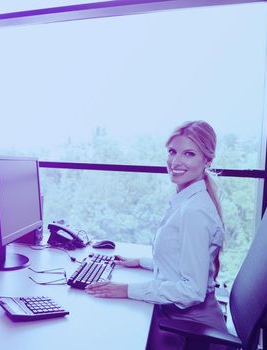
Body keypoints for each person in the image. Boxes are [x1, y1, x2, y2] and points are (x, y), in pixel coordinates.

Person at [85, 120, 227, 349]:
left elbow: (192, 290)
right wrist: (141, 263)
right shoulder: (187, 200)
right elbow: (181, 261)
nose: (176, 162)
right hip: (180, 318)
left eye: (189, 154)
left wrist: (126, 289)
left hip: (190, 329)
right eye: (172, 151)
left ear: (207, 160)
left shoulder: (194, 212)